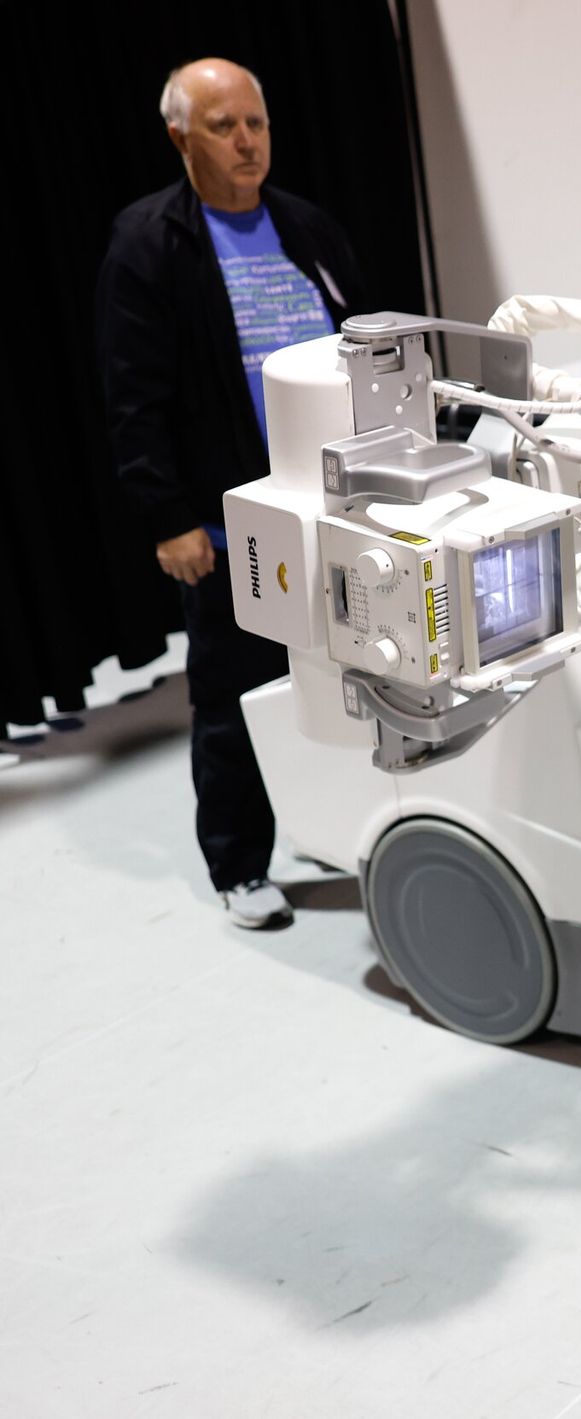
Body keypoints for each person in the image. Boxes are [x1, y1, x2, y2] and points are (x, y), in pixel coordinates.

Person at [97, 59, 367, 928]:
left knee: (361, 677)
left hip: (336, 504)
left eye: (257, 123)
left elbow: (366, 341)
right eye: (224, 126)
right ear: (181, 137)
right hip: (231, 522)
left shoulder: (306, 227)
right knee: (234, 698)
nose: (248, 142)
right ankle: (240, 865)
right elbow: (133, 397)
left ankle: (353, 830)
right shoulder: (150, 244)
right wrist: (170, 518)